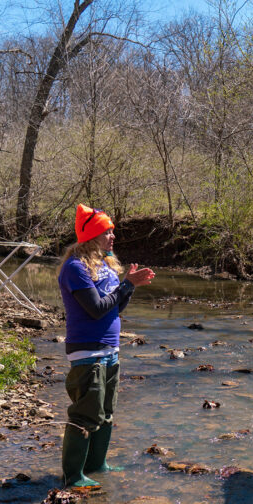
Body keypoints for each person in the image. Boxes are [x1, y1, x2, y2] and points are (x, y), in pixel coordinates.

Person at [58, 204, 155, 488]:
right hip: (88, 352)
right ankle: (72, 475)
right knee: (86, 415)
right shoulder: (75, 267)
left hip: (110, 350)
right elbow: (96, 308)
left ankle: (97, 464)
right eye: (106, 231)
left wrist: (130, 286)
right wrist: (126, 285)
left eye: (111, 231)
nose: (112, 236)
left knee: (106, 413)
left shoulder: (106, 265)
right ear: (91, 236)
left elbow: (116, 307)